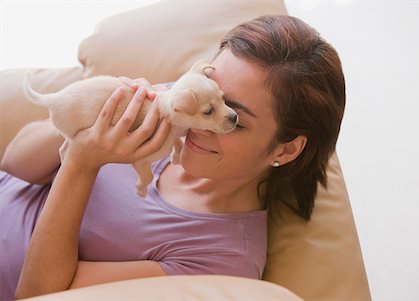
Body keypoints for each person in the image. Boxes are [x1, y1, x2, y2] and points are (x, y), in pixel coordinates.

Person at [0, 15, 345, 300]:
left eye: (232, 119)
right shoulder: (184, 101)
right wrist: (95, 113)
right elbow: (13, 161)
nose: (199, 123)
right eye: (210, 90)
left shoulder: (222, 261)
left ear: (285, 149)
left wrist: (82, 161)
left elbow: (38, 294)